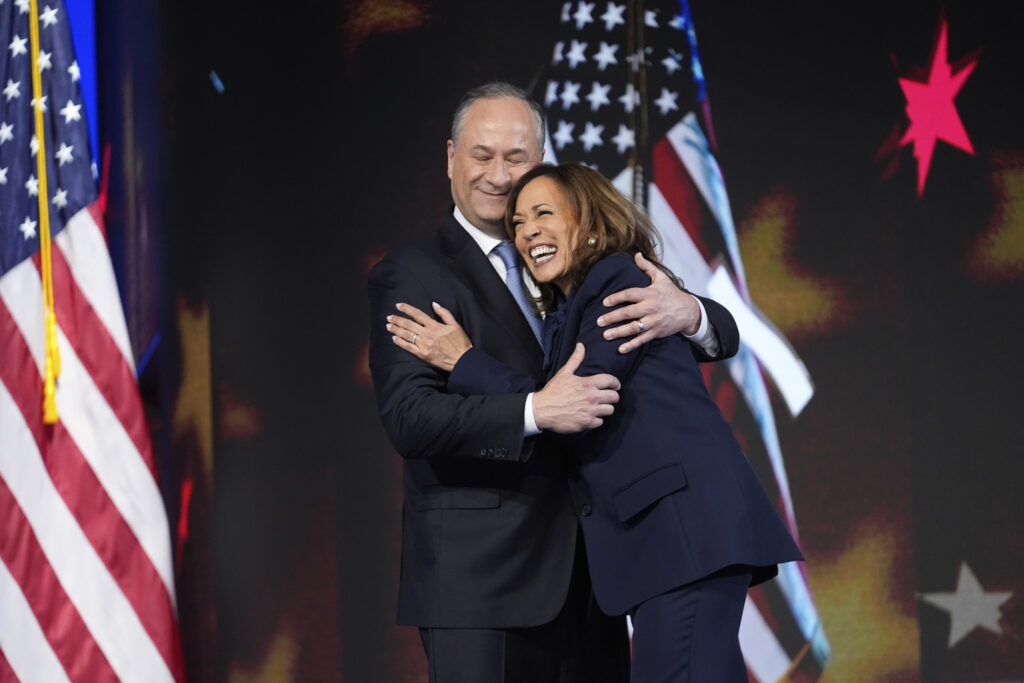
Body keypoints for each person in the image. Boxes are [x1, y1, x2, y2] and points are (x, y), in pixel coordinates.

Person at [367, 82, 740, 683]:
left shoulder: (571, 258)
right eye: (482, 155)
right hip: (482, 584)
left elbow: (689, 330)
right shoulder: (412, 273)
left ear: (540, 160)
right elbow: (411, 418)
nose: (498, 174)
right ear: (451, 158)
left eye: (516, 157)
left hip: (595, 580)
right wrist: (534, 411)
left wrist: (690, 312)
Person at [398, 161, 804, 681]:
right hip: (669, 548)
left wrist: (464, 361)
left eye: (544, 214)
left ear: (589, 223)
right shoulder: (564, 313)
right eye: (518, 222)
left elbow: (582, 397)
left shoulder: (615, 279)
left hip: (682, 536)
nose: (527, 232)